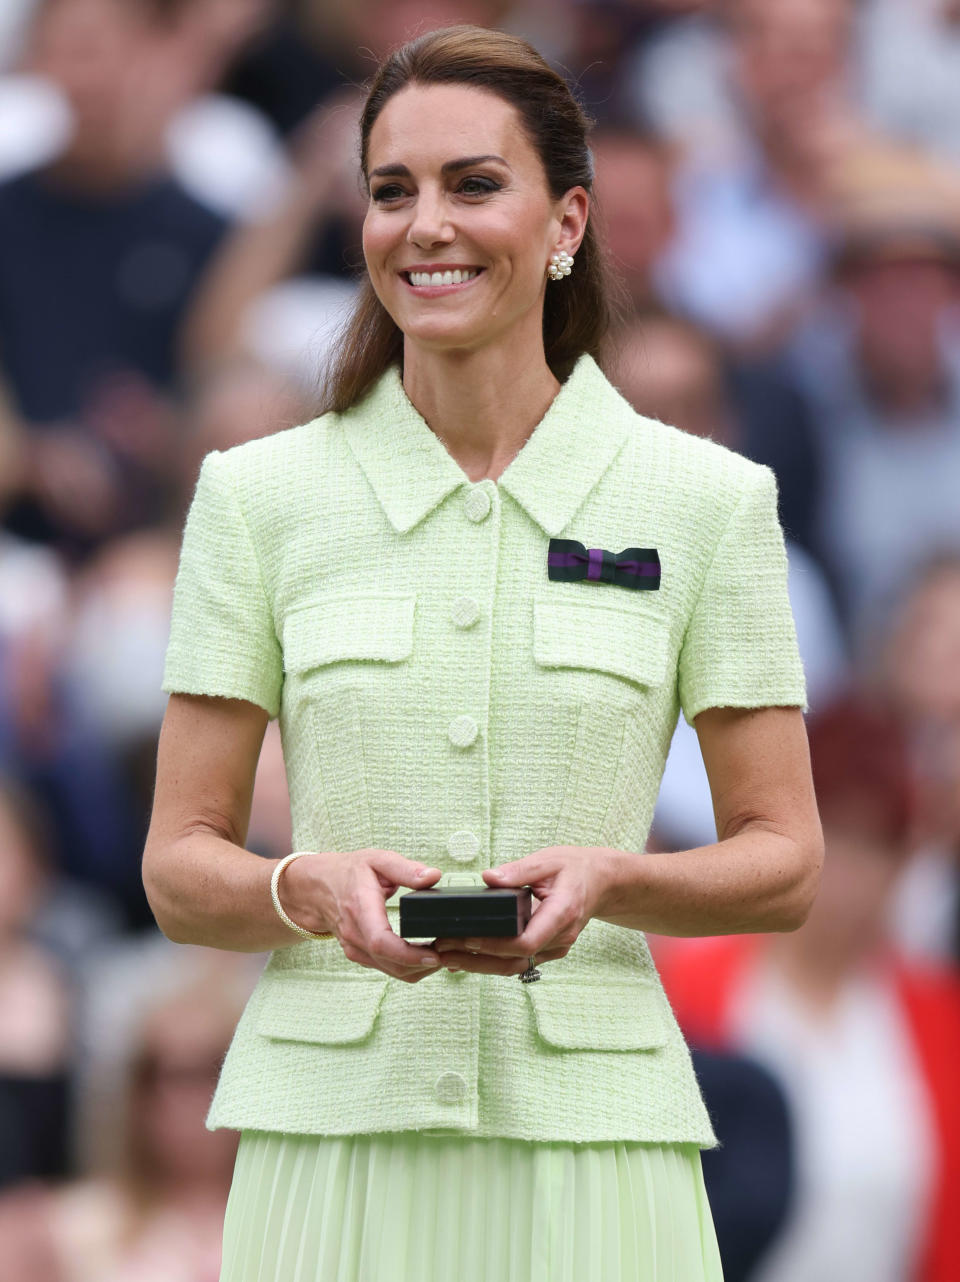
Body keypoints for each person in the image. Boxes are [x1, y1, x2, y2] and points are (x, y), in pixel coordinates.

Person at [143, 25, 822, 1282]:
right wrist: (305, 889)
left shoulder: (707, 503)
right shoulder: (256, 497)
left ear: (567, 221)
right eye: (391, 190)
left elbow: (785, 862)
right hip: (329, 1140)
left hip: (596, 1150)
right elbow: (178, 869)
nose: (425, 225)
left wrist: (614, 879)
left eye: (472, 184)